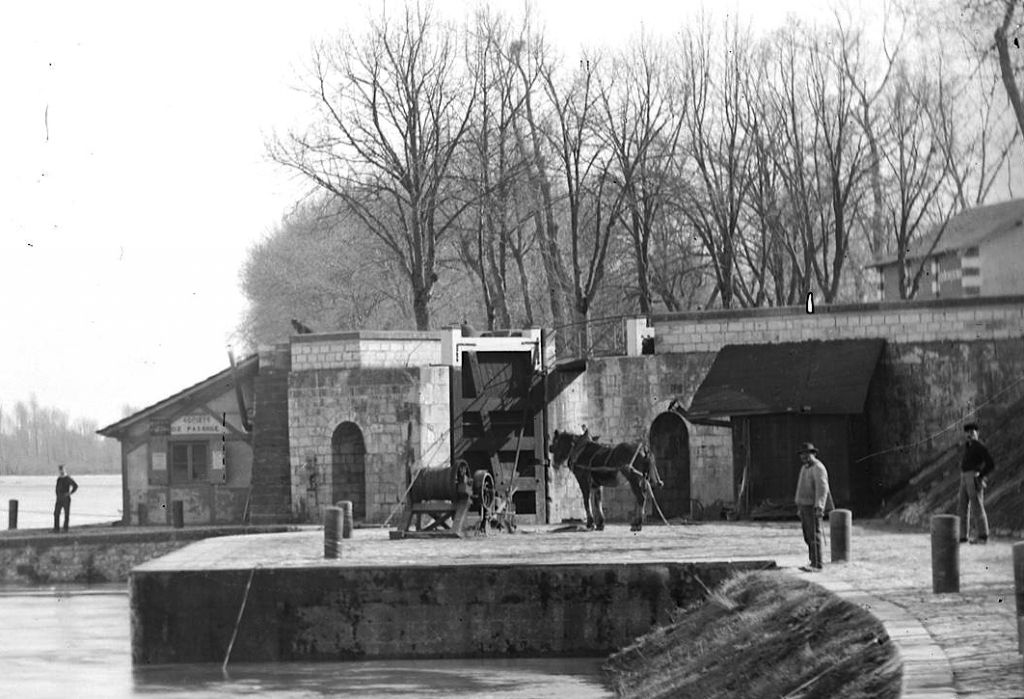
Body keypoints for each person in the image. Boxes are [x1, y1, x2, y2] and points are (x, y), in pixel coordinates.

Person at [794, 442, 830, 572]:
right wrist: (799, 505)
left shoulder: (818, 468)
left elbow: (822, 488)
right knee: (807, 535)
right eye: (802, 454)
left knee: (814, 534)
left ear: (813, 454)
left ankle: (817, 563)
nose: (804, 457)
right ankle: (812, 561)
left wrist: (819, 506)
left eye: (806, 454)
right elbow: (800, 487)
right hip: (804, 505)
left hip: (812, 506)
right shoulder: (804, 468)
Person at [957, 422, 994, 544]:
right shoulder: (969, 446)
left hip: (973, 476)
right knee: (962, 507)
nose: (969, 434)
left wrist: (981, 475)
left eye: (972, 432)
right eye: (967, 432)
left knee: (977, 506)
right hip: (964, 477)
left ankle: (983, 536)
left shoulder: (979, 446)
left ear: (977, 433)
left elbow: (990, 463)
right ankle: (963, 537)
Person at [53, 464, 78, 533]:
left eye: (62, 469)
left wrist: (70, 493)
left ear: (64, 470)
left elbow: (75, 486)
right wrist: (57, 495)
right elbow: (57, 488)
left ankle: (65, 528)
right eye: (60, 470)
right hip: (59, 499)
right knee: (56, 513)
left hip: (66, 498)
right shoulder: (59, 479)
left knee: (66, 514)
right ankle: (56, 528)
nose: (61, 471)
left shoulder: (68, 478)